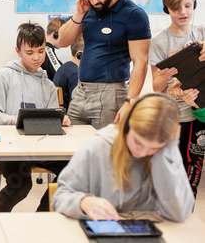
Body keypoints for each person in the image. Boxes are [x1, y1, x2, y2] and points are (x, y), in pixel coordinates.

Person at [52, 94, 194, 223]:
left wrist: (165, 152)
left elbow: (180, 213)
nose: (143, 152)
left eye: (153, 148)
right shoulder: (98, 146)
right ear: (126, 128)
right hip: (102, 229)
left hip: (145, 231)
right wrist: (83, 201)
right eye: (138, 142)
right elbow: (60, 196)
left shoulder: (167, 151)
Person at [0, 23, 70, 212]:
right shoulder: (2, 77)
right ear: (18, 51)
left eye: (40, 51)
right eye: (29, 52)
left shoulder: (47, 84)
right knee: (21, 184)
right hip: (8, 148)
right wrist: (21, 121)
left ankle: (42, 215)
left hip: (40, 148)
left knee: (73, 169)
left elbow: (51, 119)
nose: (37, 57)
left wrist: (59, 120)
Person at [58, 0, 151, 129]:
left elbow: (141, 62)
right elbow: (62, 41)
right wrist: (79, 13)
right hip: (80, 92)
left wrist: (130, 102)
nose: (93, 1)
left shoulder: (134, 14)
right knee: (72, 150)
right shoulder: (88, 9)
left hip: (111, 95)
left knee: (103, 153)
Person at [149, 0, 205, 197]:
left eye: (188, 6)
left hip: (198, 114)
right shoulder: (160, 42)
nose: (183, 12)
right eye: (176, 8)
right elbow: (156, 87)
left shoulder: (201, 32)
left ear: (194, 5)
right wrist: (162, 77)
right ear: (167, 9)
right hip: (174, 117)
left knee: (192, 173)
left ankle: (185, 214)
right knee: (169, 171)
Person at [53, 34, 83, 110]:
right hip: (69, 118)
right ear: (80, 54)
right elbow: (76, 105)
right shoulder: (75, 74)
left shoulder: (65, 67)